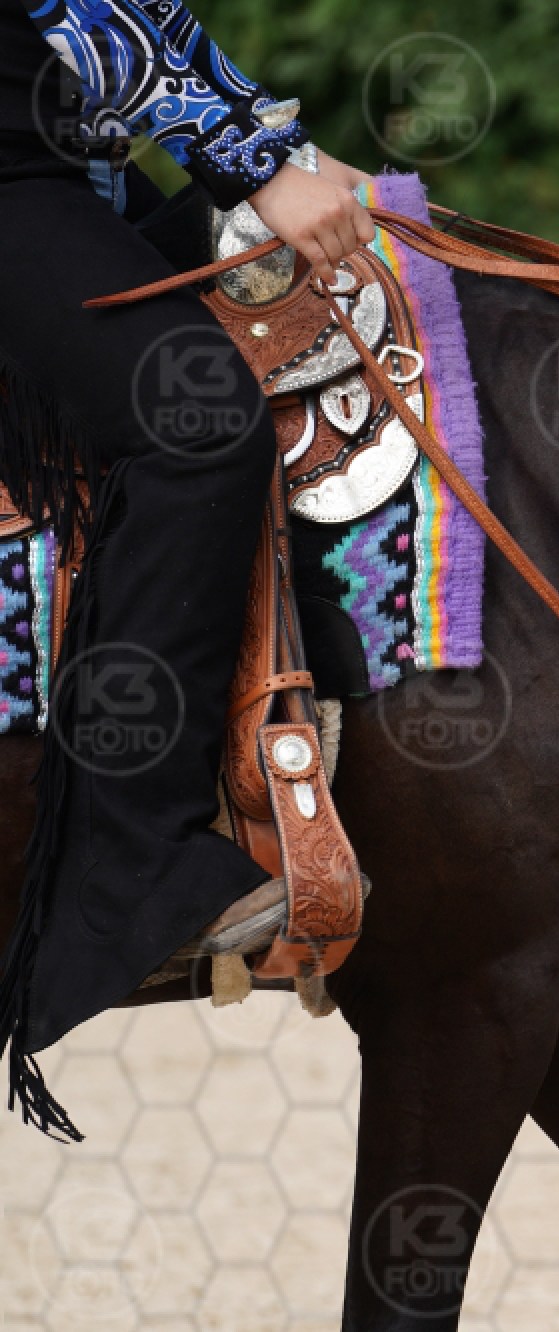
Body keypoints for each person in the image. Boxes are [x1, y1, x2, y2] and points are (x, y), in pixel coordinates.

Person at [0, 0, 377, 1138]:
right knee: (199, 423)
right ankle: (125, 876)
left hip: (63, 160)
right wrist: (258, 160)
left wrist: (275, 146)